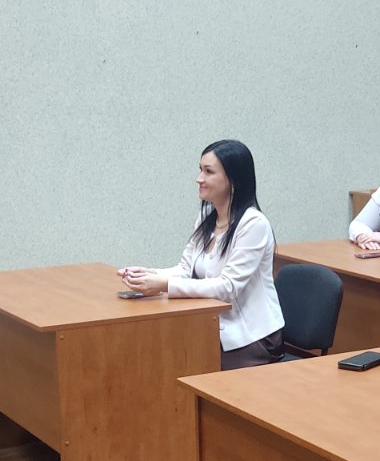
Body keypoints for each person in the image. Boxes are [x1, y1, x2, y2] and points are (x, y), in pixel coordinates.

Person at [119, 139, 285, 369]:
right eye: (200, 169)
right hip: (211, 325)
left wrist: (163, 285)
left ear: (233, 180)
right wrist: (147, 274)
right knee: (159, 354)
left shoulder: (254, 224)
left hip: (251, 336)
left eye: (208, 172)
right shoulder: (207, 217)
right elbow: (185, 269)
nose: (199, 178)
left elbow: (228, 287)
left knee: (180, 363)